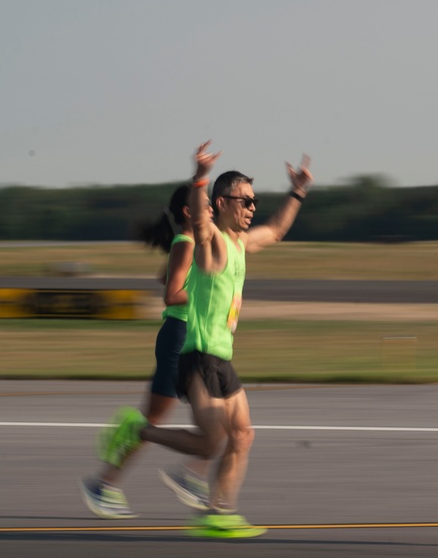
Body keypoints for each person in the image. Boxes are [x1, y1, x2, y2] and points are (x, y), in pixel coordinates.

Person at [97, 140, 313, 538]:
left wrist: (297, 191)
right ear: (223, 203)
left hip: (223, 358)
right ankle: (137, 430)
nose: (251, 208)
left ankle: (219, 511)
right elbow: (198, 220)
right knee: (210, 442)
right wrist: (199, 179)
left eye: (254, 202)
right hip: (196, 358)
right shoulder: (209, 241)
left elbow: (279, 231)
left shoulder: (243, 243)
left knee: (243, 436)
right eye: (245, 201)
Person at [79, 184, 213, 519]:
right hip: (178, 337)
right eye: (206, 204)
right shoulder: (186, 243)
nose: (211, 208)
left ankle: (192, 476)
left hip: (192, 337)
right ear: (188, 212)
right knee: (153, 420)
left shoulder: (192, 244)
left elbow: (166, 276)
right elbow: (171, 294)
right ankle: (103, 483)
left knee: (216, 420)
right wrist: (209, 296)